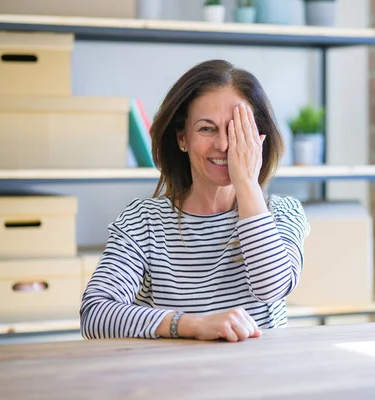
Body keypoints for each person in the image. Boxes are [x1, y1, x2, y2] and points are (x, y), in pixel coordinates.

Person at [80, 59, 310, 342]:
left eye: (238, 130)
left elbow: (272, 287)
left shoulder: (282, 212)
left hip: (262, 379)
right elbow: (95, 315)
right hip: (176, 380)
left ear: (257, 139)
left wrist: (247, 182)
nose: (224, 145)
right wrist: (192, 325)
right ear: (182, 139)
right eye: (206, 129)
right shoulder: (143, 221)